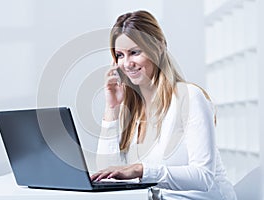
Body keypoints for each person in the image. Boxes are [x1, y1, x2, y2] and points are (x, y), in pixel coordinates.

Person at [90, 10, 237, 200]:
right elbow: (107, 176)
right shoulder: (132, 109)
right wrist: (112, 109)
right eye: (120, 55)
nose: (127, 63)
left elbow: (203, 177)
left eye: (134, 52)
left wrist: (141, 170)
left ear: (158, 48)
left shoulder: (189, 97)